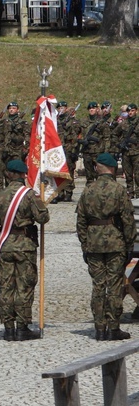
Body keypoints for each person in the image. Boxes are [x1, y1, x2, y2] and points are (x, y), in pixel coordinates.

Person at [0, 160, 49, 341]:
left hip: (4, 246)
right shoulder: (29, 195)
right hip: (25, 246)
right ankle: (22, 327)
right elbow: (43, 218)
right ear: (23, 175)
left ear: (8, 174)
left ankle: (8, 328)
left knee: (6, 287)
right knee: (24, 286)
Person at [76, 153, 136, 341]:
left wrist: (85, 244)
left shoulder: (88, 190)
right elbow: (128, 221)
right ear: (112, 169)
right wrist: (129, 245)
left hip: (93, 244)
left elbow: (81, 221)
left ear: (98, 168)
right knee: (115, 285)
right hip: (115, 243)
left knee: (98, 286)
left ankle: (99, 327)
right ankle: (113, 327)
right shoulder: (118, 190)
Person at [79, 102, 108, 184]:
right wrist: (81, 141)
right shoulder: (83, 121)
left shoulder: (101, 122)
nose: (91, 110)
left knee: (101, 173)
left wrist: (106, 151)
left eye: (93, 108)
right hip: (87, 151)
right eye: (90, 109)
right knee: (89, 175)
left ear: (97, 109)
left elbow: (106, 137)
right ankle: (89, 192)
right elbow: (78, 134)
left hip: (98, 151)